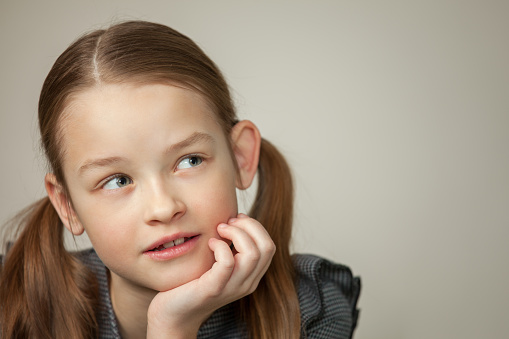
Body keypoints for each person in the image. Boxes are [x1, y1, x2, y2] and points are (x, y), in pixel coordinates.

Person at [0, 21, 360, 339]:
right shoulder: (11, 304)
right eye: (117, 180)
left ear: (240, 158)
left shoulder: (311, 309)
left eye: (189, 160)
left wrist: (173, 328)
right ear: (67, 205)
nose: (164, 207)